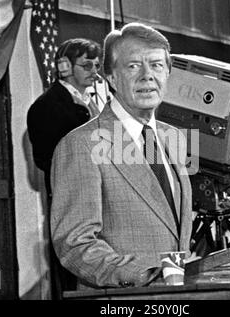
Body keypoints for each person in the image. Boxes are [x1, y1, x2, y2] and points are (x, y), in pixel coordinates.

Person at [50, 22, 193, 289]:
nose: (147, 76)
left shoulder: (175, 138)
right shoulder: (80, 145)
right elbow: (74, 243)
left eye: (157, 65)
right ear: (112, 78)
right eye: (133, 66)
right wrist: (140, 276)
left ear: (168, 75)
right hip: (121, 300)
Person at [27, 38, 102, 197]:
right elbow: (46, 159)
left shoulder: (93, 102)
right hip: (72, 197)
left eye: (97, 65)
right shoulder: (45, 106)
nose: (95, 72)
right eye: (87, 65)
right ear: (65, 66)